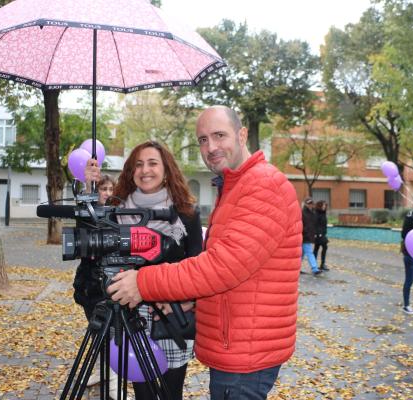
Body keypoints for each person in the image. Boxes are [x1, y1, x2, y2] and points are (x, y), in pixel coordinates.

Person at [105, 106, 302, 400]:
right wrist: (188, 300)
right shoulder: (236, 185)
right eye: (202, 140)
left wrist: (143, 282)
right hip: (235, 343)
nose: (210, 147)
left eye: (219, 135)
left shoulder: (262, 185)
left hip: (245, 350)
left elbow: (221, 267)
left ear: (242, 134)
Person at [86, 141, 203, 400]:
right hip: (130, 314)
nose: (145, 170)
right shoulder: (116, 211)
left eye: (152, 163)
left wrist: (187, 301)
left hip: (170, 316)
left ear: (166, 169)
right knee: (144, 393)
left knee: (170, 393)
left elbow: (198, 266)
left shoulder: (185, 214)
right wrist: (90, 190)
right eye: (138, 164)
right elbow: (91, 244)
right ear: (130, 170)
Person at [73, 173, 116, 321]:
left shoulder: (115, 212)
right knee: (96, 327)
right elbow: (84, 202)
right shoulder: (86, 211)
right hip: (90, 281)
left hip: (112, 279)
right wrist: (88, 186)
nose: (108, 193)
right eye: (104, 189)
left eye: (111, 189)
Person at [301, 197, 321, 275]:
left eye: (311, 204)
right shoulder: (302, 213)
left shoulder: (313, 213)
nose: (310, 205)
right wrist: (305, 232)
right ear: (306, 204)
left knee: (301, 254)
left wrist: (315, 233)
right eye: (308, 204)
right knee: (309, 252)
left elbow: (313, 225)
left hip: (309, 236)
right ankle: (314, 268)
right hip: (304, 236)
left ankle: (296, 268)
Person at [313, 200, 329, 271]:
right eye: (323, 205)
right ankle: (317, 264)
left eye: (325, 205)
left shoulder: (323, 213)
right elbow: (315, 224)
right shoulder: (316, 213)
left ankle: (318, 264)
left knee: (317, 248)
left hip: (322, 233)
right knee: (324, 247)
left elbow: (323, 224)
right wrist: (317, 233)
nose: (324, 207)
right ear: (319, 206)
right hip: (318, 234)